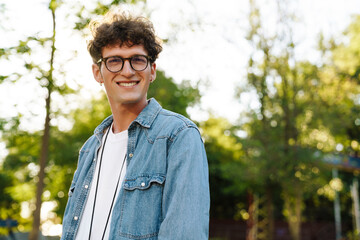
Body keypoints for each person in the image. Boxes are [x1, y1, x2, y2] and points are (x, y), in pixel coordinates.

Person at [61, 8, 210, 240]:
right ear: (97, 73)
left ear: (152, 70)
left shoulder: (179, 136)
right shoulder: (89, 149)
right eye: (114, 61)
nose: (127, 71)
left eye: (137, 60)